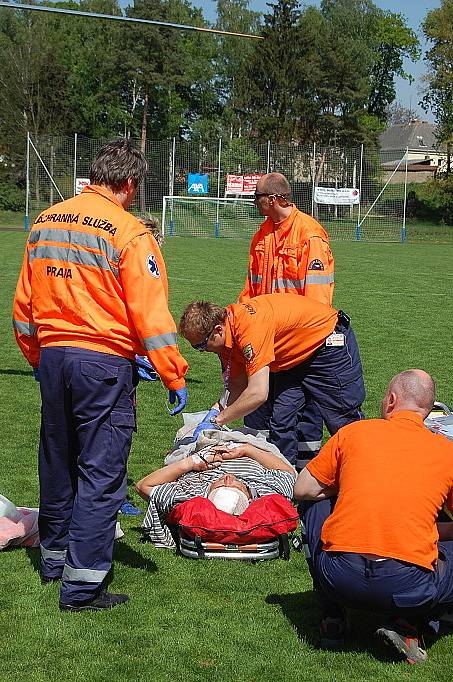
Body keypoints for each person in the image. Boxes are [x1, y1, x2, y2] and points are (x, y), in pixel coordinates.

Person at [12, 138, 189, 612]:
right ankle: (84, 586)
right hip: (103, 363)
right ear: (130, 184)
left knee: (57, 460)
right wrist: (173, 374)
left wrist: (37, 358)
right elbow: (151, 315)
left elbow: (24, 307)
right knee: (101, 472)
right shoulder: (130, 233)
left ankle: (53, 562)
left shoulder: (46, 221)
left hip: (53, 357)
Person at [294, 370, 453, 664]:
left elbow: (303, 487)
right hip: (408, 586)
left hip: (338, 577)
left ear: (391, 400)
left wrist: (345, 488)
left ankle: (333, 615)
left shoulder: (354, 433)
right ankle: (410, 623)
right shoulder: (446, 451)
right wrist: (428, 529)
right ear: (429, 410)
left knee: (315, 506)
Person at [178, 294, 365, 466]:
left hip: (327, 346)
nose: (202, 351)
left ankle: (362, 473)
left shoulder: (248, 329)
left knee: (342, 419)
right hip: (291, 359)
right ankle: (286, 480)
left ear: (218, 330)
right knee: (282, 419)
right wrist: (213, 412)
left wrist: (218, 420)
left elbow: (257, 393)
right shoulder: (226, 339)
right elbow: (237, 384)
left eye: (201, 346)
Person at [239, 172, 335, 469]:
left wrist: (303, 340)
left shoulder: (309, 234)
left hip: (298, 340)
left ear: (275, 199)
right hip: (268, 337)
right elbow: (251, 288)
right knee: (264, 410)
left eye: (257, 196)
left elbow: (318, 302)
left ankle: (303, 473)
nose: (254, 202)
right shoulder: (262, 234)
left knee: (296, 411)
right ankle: (268, 470)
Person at [136, 442, 296, 547]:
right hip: (255, 447)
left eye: (220, 485)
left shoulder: (190, 493)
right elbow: (288, 472)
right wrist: (246, 449)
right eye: (235, 486)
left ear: (209, 495)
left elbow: (143, 486)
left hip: (203, 446)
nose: (227, 478)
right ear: (248, 496)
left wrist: (193, 461)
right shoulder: (267, 491)